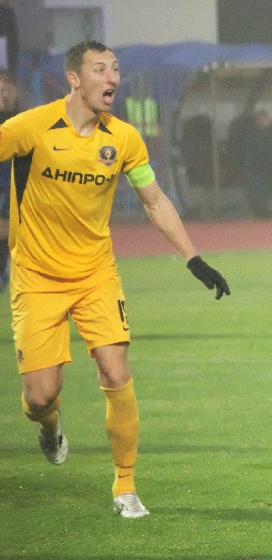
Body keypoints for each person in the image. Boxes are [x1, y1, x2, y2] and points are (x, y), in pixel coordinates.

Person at [2, 41, 229, 518]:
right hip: (36, 277)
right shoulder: (31, 127)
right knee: (40, 396)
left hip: (96, 274)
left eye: (116, 69)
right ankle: (49, 425)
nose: (112, 79)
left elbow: (154, 200)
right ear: (74, 79)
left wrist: (193, 259)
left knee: (116, 371)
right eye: (100, 69)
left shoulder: (124, 139)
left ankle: (125, 487)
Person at [0, 71, 19, 285]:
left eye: (8, 90)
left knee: (7, 228)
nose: (5, 94)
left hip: (14, 181)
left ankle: (5, 270)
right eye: (1, 90)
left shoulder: (22, 118)